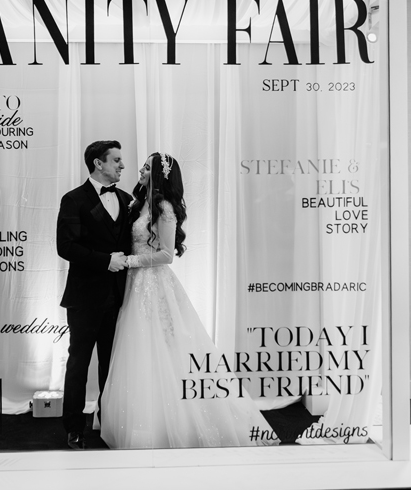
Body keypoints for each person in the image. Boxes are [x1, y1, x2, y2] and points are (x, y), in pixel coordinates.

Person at [100, 153, 279, 449]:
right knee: (139, 350)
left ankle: (176, 422)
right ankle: (145, 418)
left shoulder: (164, 208)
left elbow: (166, 255)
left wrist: (129, 261)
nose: (140, 170)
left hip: (153, 284)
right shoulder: (138, 203)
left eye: (147, 167)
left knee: (164, 348)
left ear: (159, 175)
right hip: (133, 284)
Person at [56, 140, 133, 450]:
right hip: (84, 299)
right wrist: (105, 261)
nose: (122, 165)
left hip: (120, 298)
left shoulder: (127, 200)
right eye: (116, 160)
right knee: (78, 364)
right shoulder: (73, 199)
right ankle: (74, 428)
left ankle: (108, 423)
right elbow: (66, 247)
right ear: (98, 164)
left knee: (111, 367)